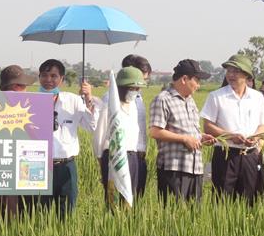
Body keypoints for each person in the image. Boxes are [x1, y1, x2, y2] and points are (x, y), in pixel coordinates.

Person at [200, 54, 264, 203]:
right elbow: (207, 126)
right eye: (229, 71)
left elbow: (262, 124)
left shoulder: (257, 97)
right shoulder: (216, 96)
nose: (231, 75)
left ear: (246, 75)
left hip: (250, 156)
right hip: (225, 155)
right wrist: (230, 136)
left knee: (250, 199)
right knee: (222, 200)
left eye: (236, 71)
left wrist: (255, 137)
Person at [149, 59, 216, 203]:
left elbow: (191, 131)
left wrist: (202, 137)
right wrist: (185, 139)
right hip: (174, 169)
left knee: (192, 218)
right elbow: (155, 131)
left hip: (195, 168)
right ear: (184, 79)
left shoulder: (190, 101)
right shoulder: (163, 99)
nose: (199, 85)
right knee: (174, 215)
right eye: (197, 80)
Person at [35, 59, 96, 217]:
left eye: (54, 76)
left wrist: (88, 97)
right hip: (38, 165)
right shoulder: (30, 101)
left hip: (66, 166)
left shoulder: (72, 101)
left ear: (61, 79)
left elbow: (91, 126)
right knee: (40, 212)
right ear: (39, 77)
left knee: (67, 213)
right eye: (45, 75)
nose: (49, 80)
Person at [93, 66, 148, 206]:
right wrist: (102, 161)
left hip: (132, 157)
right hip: (113, 157)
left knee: (131, 198)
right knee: (114, 200)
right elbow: (99, 138)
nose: (135, 92)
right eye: (132, 88)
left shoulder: (135, 107)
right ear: (122, 88)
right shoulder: (110, 108)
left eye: (137, 89)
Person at [0, 65, 36, 217]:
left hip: (22, 166)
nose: (26, 89)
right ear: (16, 86)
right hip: (7, 168)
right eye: (24, 85)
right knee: (12, 211)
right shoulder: (22, 106)